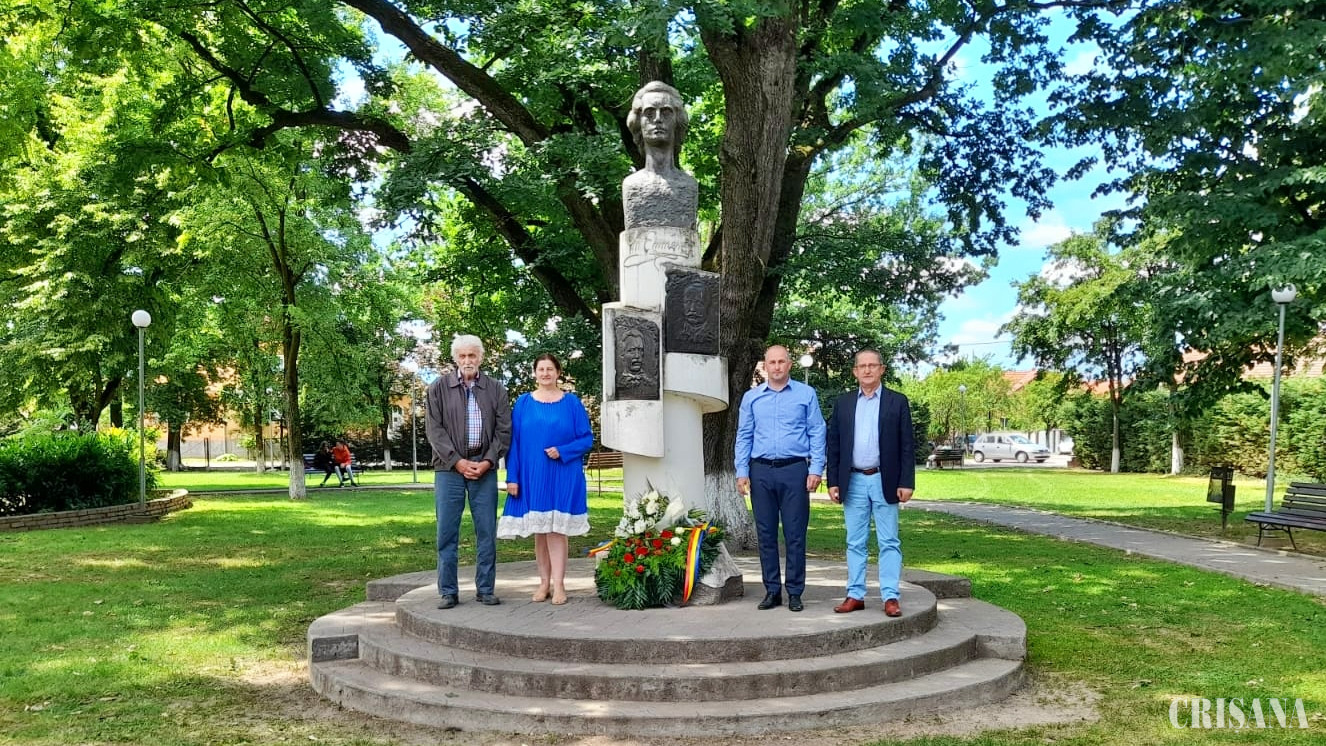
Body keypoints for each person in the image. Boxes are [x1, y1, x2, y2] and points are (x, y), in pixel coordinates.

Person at [734, 345, 826, 612]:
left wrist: (815, 469)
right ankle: (772, 590)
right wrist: (741, 471)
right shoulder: (752, 398)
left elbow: (817, 431)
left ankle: (795, 592)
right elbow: (744, 435)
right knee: (765, 534)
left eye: (781, 361)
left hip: (794, 470)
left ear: (789, 365)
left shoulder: (806, 394)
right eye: (772, 362)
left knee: (795, 534)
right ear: (765, 366)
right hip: (760, 470)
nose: (776, 366)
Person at [497, 354, 594, 605]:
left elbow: (586, 439)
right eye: (541, 369)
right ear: (535, 373)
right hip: (533, 476)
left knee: (557, 531)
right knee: (540, 532)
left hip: (563, 474)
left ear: (558, 372)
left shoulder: (571, 403)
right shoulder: (523, 403)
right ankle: (543, 583)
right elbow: (514, 443)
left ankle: (559, 585)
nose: (545, 373)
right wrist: (512, 477)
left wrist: (563, 450)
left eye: (550, 369)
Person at [825, 349, 916, 617]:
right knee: (855, 541)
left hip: (884, 479)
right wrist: (833, 480)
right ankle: (855, 594)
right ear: (855, 371)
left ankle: (890, 596)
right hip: (852, 481)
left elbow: (907, 445)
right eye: (862, 366)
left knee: (889, 541)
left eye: (872, 365)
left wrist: (906, 481)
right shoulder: (843, 403)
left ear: (881, 369)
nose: (867, 370)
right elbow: (834, 444)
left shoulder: (897, 402)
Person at [425, 334, 512, 609]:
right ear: (455, 359)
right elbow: (434, 431)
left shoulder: (495, 389)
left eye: (472, 355)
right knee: (446, 532)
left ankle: (485, 589)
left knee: (486, 531)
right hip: (448, 469)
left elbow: (504, 431)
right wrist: (457, 462)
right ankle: (448, 591)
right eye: (462, 356)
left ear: (481, 357)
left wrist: (487, 461)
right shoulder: (438, 388)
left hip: (484, 468)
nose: (467, 361)